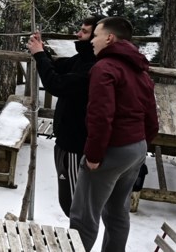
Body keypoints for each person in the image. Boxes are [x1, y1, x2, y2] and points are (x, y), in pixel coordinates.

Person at [69, 16, 158, 252]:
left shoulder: (104, 68)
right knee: (117, 213)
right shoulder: (140, 71)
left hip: (112, 149)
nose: (92, 41)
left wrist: (94, 155)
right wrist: (140, 147)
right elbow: (151, 118)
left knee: (84, 217)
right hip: (136, 148)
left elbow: (100, 115)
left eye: (96, 36)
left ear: (109, 38)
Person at [26, 15, 101, 217]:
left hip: (76, 145)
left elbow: (56, 85)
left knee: (75, 204)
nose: (78, 34)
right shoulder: (83, 58)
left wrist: (40, 55)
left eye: (84, 31)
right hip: (65, 141)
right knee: (68, 199)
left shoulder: (94, 67)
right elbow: (58, 69)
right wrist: (41, 51)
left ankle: (78, 235)